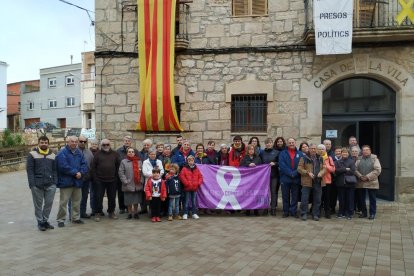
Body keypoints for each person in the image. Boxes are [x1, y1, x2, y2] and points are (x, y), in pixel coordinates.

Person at [56, 136, 88, 227]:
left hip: (77, 181)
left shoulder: (79, 153)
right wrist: (75, 173)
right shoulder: (62, 153)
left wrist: (81, 173)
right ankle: (61, 219)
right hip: (66, 182)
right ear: (68, 142)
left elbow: (84, 164)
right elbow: (63, 166)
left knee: (77, 201)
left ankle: (75, 218)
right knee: (63, 202)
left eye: (75, 141)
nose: (74, 143)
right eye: (72, 141)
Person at [26, 136, 57, 231]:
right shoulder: (32, 154)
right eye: (42, 142)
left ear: (48, 144)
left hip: (50, 184)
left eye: (45, 142)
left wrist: (55, 183)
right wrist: (32, 184)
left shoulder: (52, 155)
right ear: (38, 143)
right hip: (37, 185)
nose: (44, 144)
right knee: (38, 205)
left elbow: (55, 170)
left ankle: (45, 220)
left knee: (49, 203)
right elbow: (29, 170)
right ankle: (40, 222)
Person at [92, 139, 121, 221]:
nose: (106, 146)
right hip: (100, 180)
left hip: (112, 180)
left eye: (107, 144)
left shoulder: (115, 154)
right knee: (98, 197)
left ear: (110, 145)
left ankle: (111, 212)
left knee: (112, 197)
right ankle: (97, 212)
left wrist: (116, 177)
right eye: (104, 145)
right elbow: (93, 167)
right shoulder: (97, 154)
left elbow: (118, 166)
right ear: (101, 146)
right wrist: (95, 178)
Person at [297, 143, 326, 221]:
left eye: (314, 148)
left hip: (318, 181)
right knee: (304, 199)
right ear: (309, 149)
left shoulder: (320, 158)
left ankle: (315, 214)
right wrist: (307, 172)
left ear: (316, 149)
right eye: (311, 148)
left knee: (317, 199)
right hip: (307, 181)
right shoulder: (303, 158)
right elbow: (299, 168)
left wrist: (321, 173)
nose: (313, 150)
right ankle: (304, 214)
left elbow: (324, 168)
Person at [355, 145, 382, 220]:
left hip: (372, 182)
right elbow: (355, 169)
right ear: (362, 151)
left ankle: (372, 213)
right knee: (361, 199)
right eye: (364, 150)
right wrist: (360, 176)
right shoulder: (359, 159)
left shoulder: (374, 158)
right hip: (361, 181)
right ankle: (364, 212)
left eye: (367, 150)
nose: (365, 151)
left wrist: (367, 177)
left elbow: (378, 170)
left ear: (370, 151)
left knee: (372, 199)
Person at [118, 147, 144, 220]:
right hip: (128, 184)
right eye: (129, 152)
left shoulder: (139, 161)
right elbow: (121, 172)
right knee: (129, 200)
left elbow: (142, 172)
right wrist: (125, 181)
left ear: (134, 153)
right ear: (127, 153)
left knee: (136, 200)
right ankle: (129, 213)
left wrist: (141, 180)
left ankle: (135, 213)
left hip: (137, 184)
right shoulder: (123, 161)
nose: (131, 153)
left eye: (132, 152)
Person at [278, 138, 302, 218]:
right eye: (290, 142)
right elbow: (282, 165)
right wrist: (290, 173)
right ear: (287, 144)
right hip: (285, 178)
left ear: (295, 143)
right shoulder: (282, 153)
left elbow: (301, 165)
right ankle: (286, 211)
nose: (291, 144)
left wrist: (294, 173)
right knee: (285, 196)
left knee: (295, 196)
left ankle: (293, 211)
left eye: (293, 142)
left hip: (296, 178)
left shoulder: (300, 153)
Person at [116, 136, 139, 214]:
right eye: (125, 140)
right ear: (123, 141)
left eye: (128, 141)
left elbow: (139, 161)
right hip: (122, 175)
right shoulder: (118, 151)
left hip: (132, 176)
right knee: (121, 193)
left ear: (131, 142)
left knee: (132, 193)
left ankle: (131, 208)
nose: (127, 142)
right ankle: (122, 208)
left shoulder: (135, 151)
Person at [334, 148, 356, 220]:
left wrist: (342, 170)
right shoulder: (337, 162)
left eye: (346, 153)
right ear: (341, 153)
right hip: (340, 183)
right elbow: (336, 171)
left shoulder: (352, 161)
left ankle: (350, 213)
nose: (344, 154)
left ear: (348, 154)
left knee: (350, 199)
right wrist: (345, 169)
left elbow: (352, 171)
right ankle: (341, 212)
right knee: (341, 199)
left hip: (349, 183)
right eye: (343, 152)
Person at [241, 144, 263, 216]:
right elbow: (241, 166)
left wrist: (255, 164)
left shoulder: (258, 158)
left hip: (256, 179)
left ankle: (256, 210)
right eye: (250, 149)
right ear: (247, 150)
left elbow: (262, 167)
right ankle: (248, 210)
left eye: (252, 149)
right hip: (247, 180)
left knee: (256, 194)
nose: (251, 150)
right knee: (248, 194)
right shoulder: (244, 158)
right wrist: (248, 164)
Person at [179, 155, 203, 220]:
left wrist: (198, 183)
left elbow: (200, 176)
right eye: (189, 160)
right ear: (187, 161)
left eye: (192, 160)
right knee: (186, 201)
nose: (190, 162)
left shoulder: (196, 168)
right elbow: (182, 176)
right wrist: (186, 183)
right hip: (187, 188)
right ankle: (185, 213)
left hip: (195, 188)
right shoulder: (184, 168)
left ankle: (194, 213)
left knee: (193, 201)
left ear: (194, 161)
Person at [261, 138, 279, 216]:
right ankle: (265, 208)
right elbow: (259, 163)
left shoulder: (277, 152)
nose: (269, 144)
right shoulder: (262, 153)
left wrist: (275, 163)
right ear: (265, 144)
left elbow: (280, 162)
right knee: (265, 192)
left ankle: (273, 208)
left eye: (270, 143)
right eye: (267, 143)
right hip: (264, 177)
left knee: (273, 192)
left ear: (272, 144)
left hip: (274, 175)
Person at [77, 135, 94, 219]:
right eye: (81, 141)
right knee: (74, 198)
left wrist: (90, 175)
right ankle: (73, 215)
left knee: (84, 197)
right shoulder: (74, 151)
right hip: (76, 178)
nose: (82, 143)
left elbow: (91, 165)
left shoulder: (89, 152)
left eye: (84, 141)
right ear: (78, 141)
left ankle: (82, 212)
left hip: (86, 179)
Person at [318, 144, 335, 219]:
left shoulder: (329, 158)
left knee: (327, 197)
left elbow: (333, 169)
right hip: (318, 181)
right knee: (318, 197)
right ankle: (317, 212)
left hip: (327, 181)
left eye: (322, 149)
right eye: (319, 149)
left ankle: (327, 212)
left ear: (325, 150)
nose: (321, 151)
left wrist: (326, 167)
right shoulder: (316, 158)